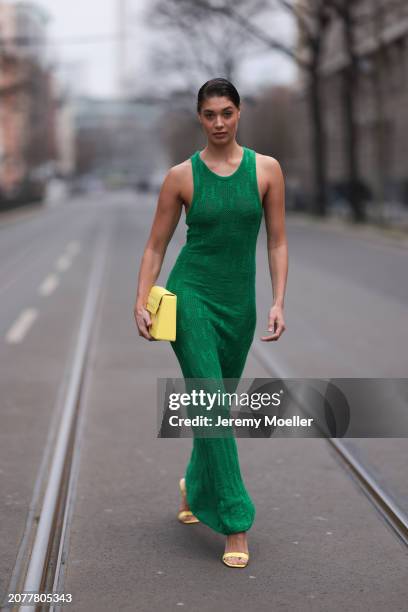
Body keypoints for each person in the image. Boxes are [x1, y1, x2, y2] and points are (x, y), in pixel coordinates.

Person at [134, 77, 288, 568]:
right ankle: (235, 520)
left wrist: (278, 301)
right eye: (209, 114)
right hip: (190, 299)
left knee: (211, 405)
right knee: (213, 404)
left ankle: (193, 487)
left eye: (227, 112)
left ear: (239, 113)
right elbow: (156, 245)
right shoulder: (181, 176)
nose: (218, 122)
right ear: (199, 118)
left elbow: (277, 241)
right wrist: (142, 299)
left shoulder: (266, 170)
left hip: (238, 307)